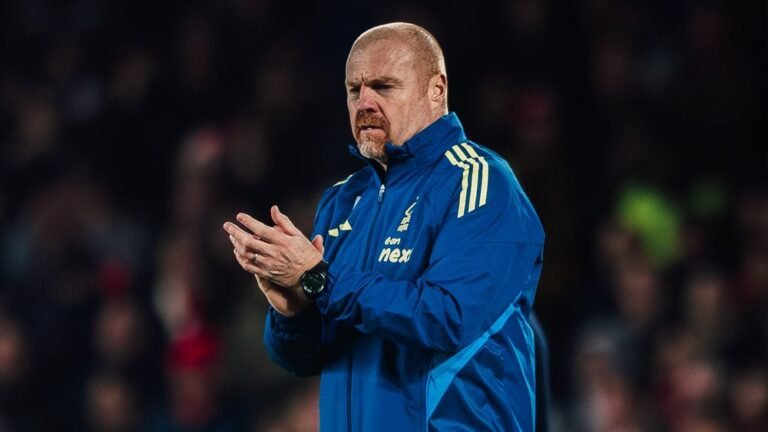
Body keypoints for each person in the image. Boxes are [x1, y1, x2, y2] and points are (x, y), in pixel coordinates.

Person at [223, 22, 545, 431]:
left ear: (436, 89)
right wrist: (294, 311)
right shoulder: (342, 200)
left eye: (383, 86)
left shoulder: (479, 182)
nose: (364, 103)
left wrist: (319, 279)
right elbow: (305, 359)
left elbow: (449, 317)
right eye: (354, 90)